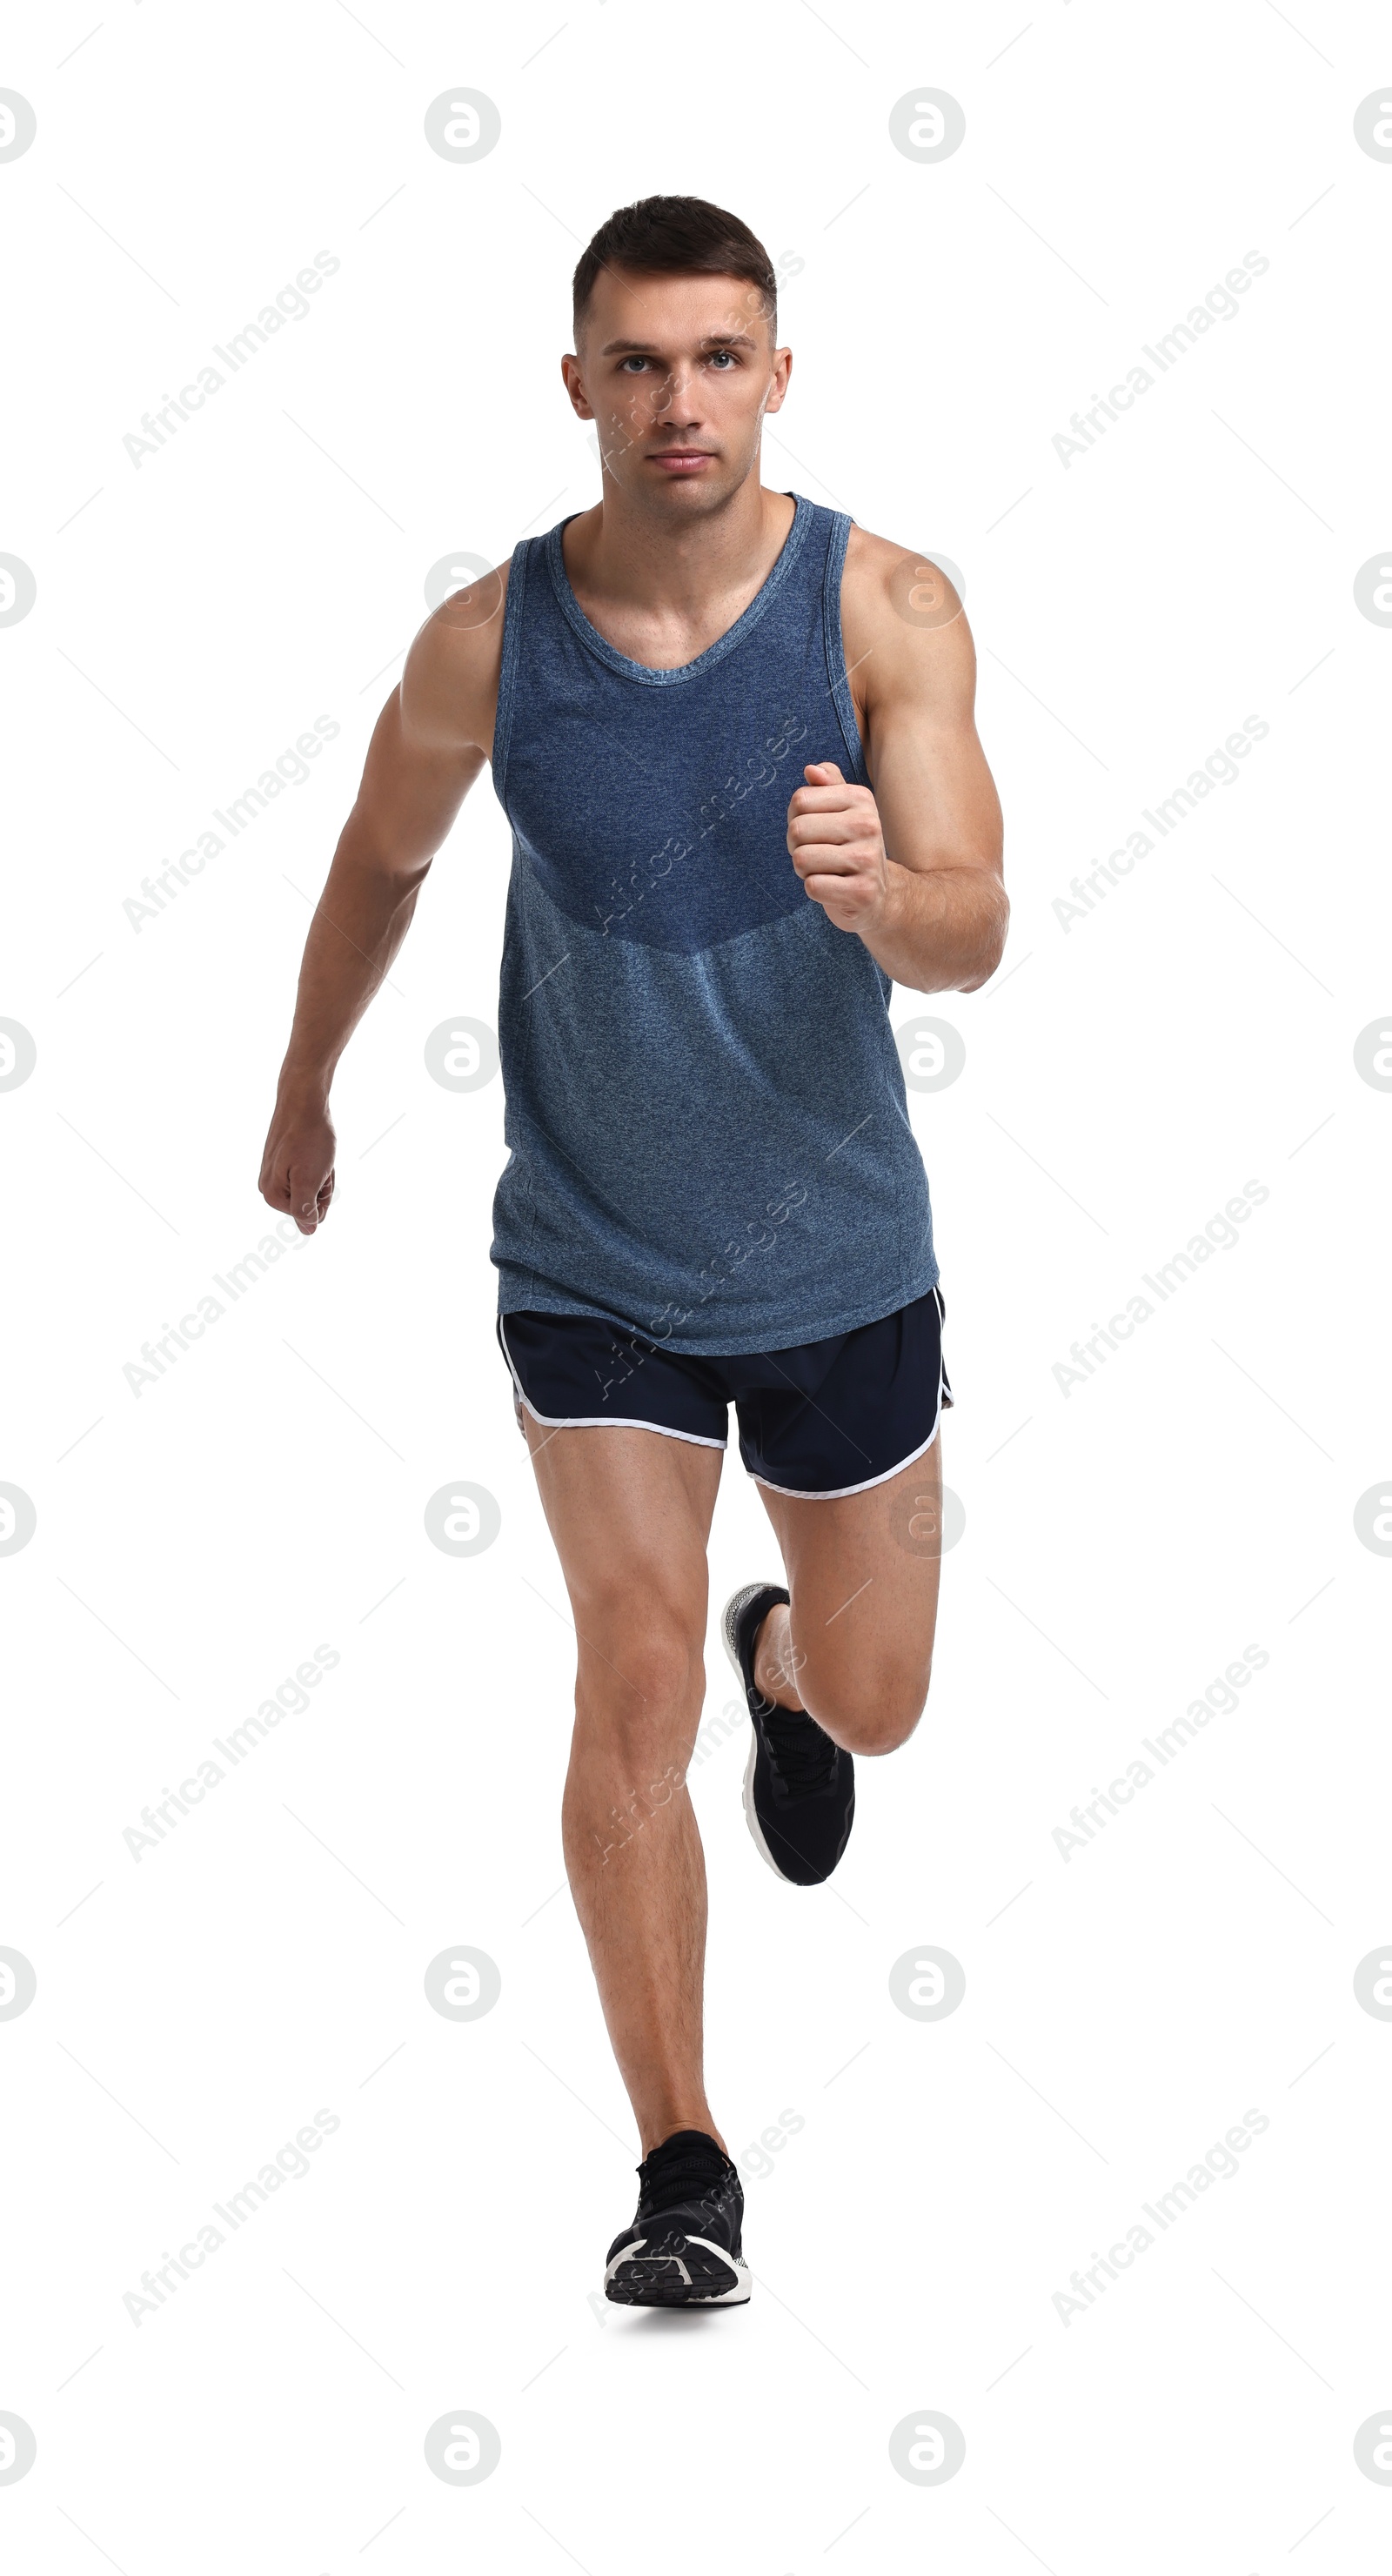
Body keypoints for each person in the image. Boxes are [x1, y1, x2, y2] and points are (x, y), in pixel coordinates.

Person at [258, 195, 1006, 2308]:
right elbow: (377, 863)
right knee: (625, 1665)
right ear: (577, 384)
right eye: (638, 361)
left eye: (717, 357)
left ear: (777, 374)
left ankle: (792, 1660)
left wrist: (885, 893)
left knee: (875, 1700)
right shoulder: (490, 645)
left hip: (839, 1239)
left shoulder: (887, 607)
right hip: (588, 1251)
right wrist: (302, 1088)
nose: (679, 399)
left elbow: (979, 919)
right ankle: (680, 2157)